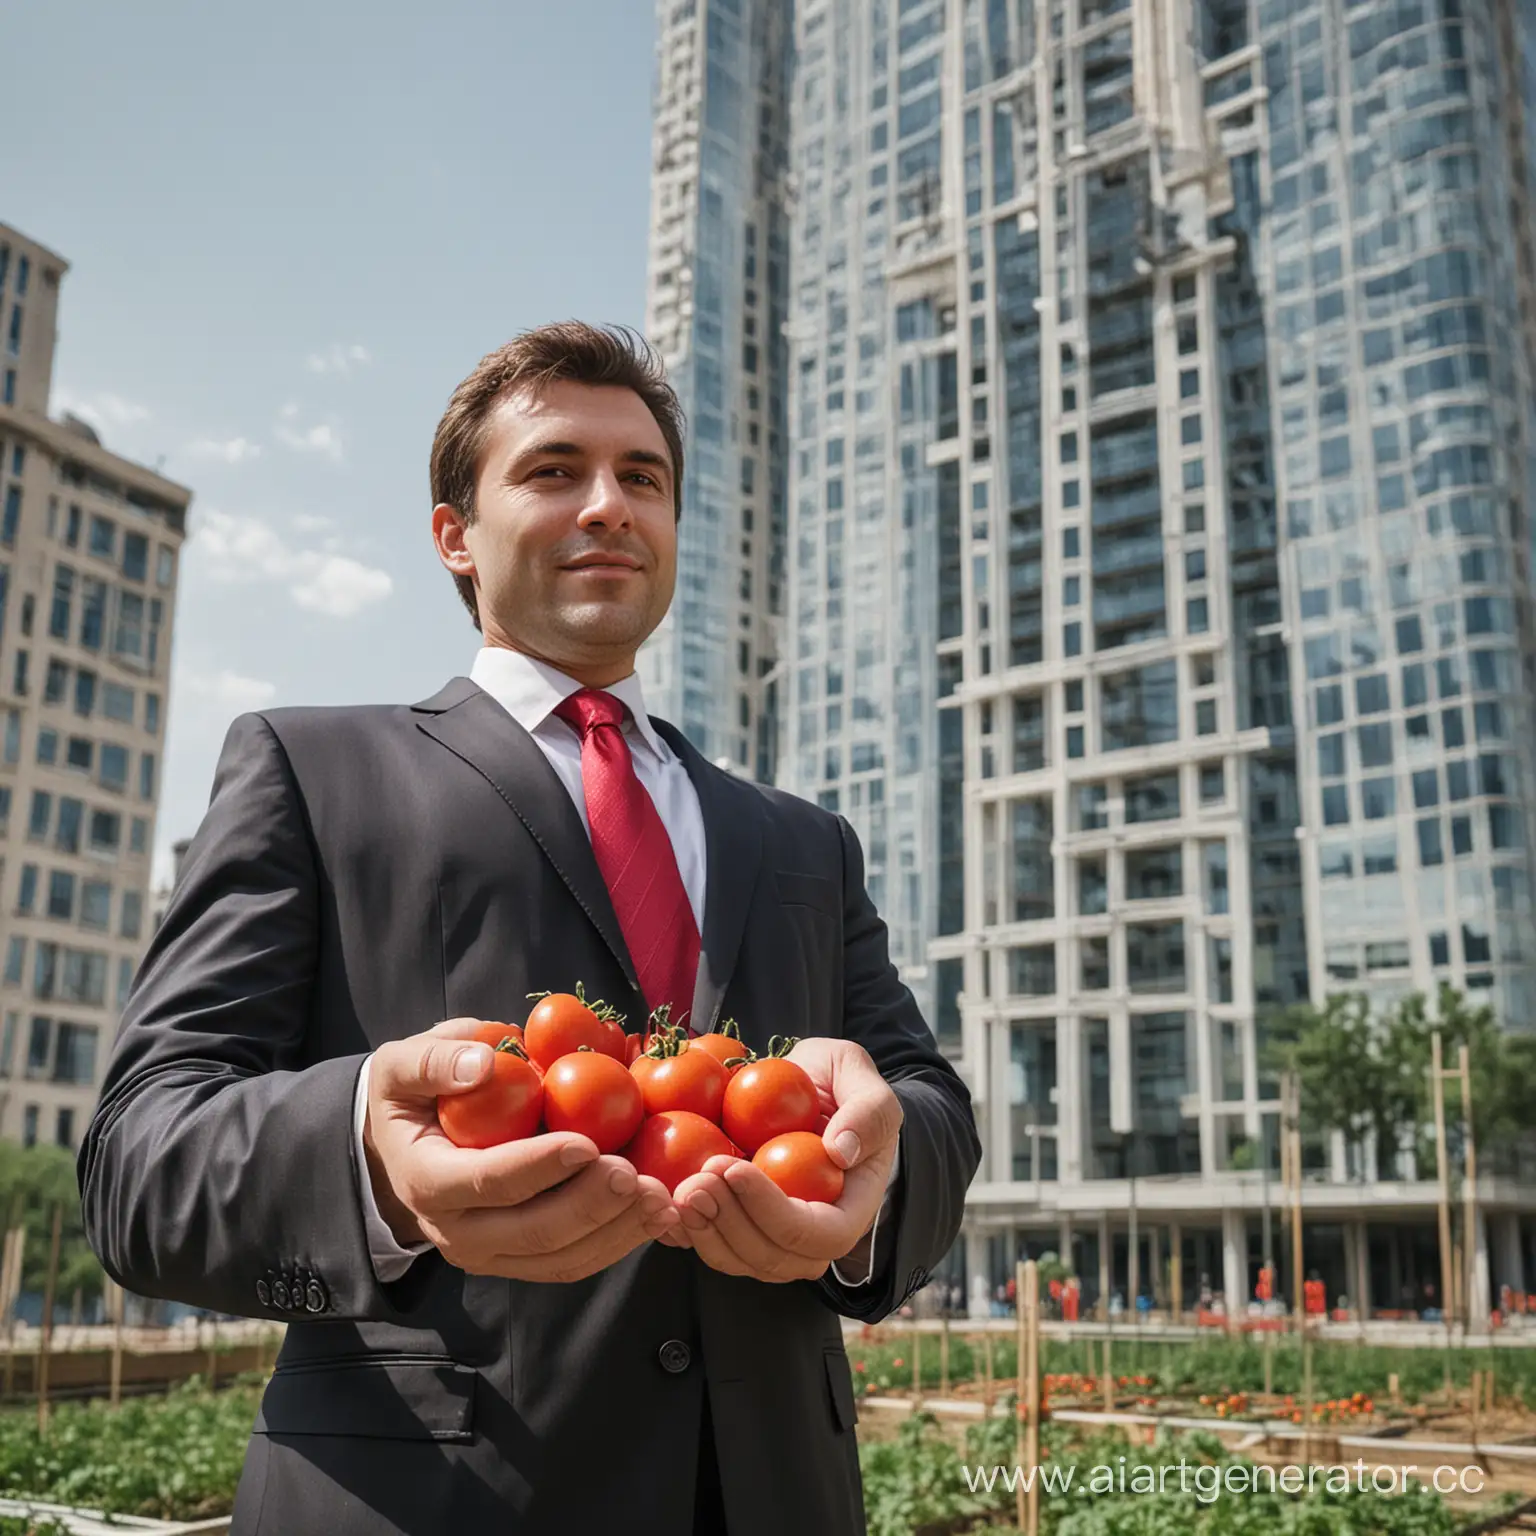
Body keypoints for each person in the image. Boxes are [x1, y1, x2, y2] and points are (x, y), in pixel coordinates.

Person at [77, 325, 981, 1536]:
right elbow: (141, 1163)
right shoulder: (311, 769)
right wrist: (375, 1168)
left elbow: (926, 1101)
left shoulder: (802, 840)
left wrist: (879, 1175)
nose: (609, 503)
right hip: (432, 1501)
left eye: (643, 477)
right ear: (455, 533)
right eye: (554, 469)